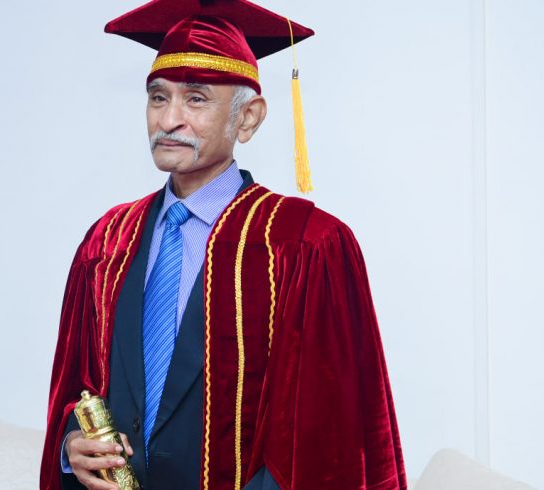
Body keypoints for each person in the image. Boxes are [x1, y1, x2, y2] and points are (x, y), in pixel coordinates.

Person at [40, 1, 407, 489]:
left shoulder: (302, 244)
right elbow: (78, 385)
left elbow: (325, 432)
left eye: (196, 99)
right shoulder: (108, 241)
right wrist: (71, 447)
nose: (169, 119)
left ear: (248, 119)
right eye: (157, 97)